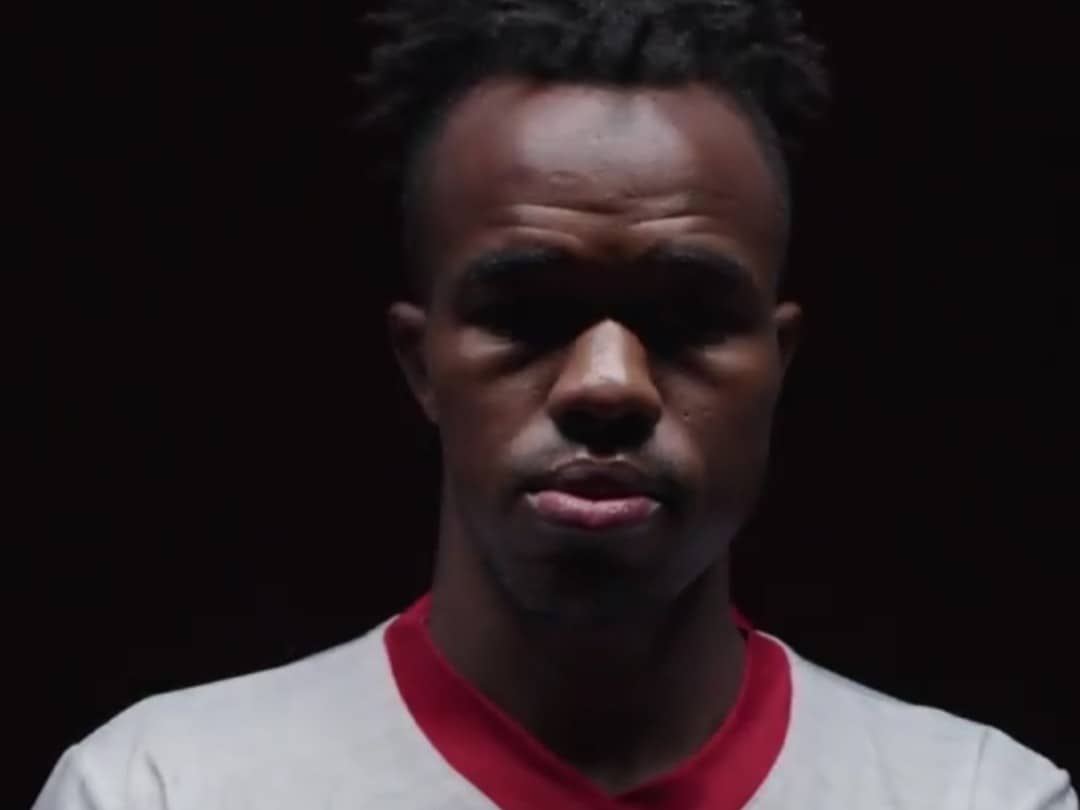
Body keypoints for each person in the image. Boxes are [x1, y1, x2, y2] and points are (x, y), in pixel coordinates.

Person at [34, 1, 1077, 808]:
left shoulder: (976, 796)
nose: (607, 384)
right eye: (526, 314)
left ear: (778, 361)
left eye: (687, 319)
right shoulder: (159, 788)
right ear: (421, 363)